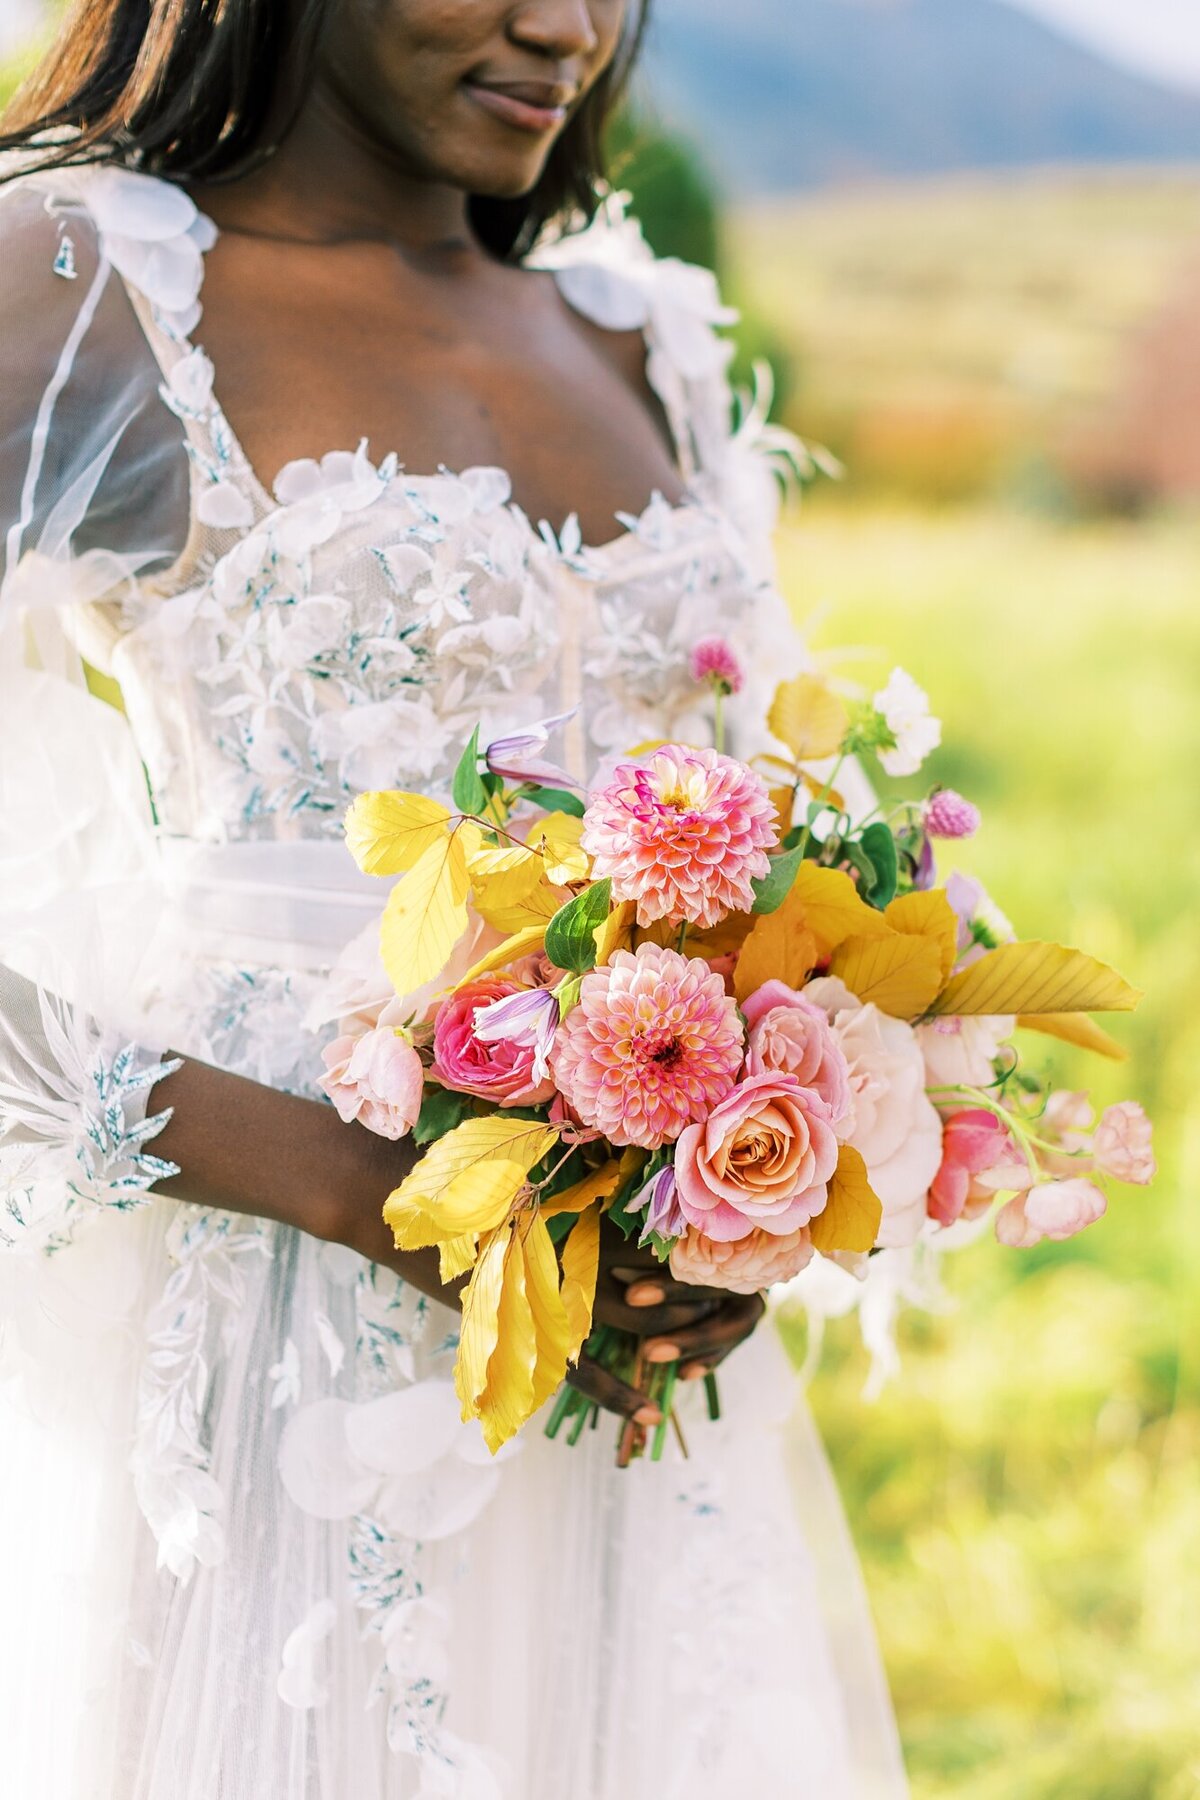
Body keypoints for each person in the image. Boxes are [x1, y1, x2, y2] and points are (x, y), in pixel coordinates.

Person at [0, 3, 909, 1794]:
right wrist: (355, 1189)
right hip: (269, 1334)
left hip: (618, 1393)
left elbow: (762, 857)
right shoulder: (82, 286)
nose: (564, 28)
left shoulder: (642, 337)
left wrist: (732, 1218)